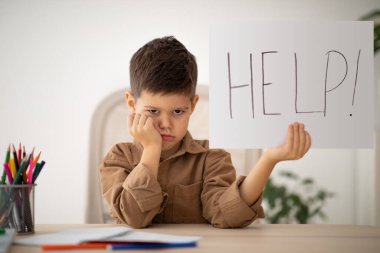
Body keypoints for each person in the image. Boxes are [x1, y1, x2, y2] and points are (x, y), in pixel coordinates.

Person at [99, 36, 311, 229]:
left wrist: (269, 159)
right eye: (153, 111)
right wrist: (152, 148)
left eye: (178, 112)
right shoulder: (118, 159)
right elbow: (135, 218)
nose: (165, 124)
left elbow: (229, 216)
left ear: (193, 105)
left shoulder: (212, 158)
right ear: (131, 104)